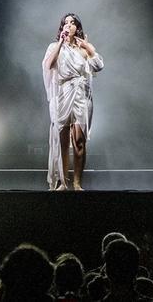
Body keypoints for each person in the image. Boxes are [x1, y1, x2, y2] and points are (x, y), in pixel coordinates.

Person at [42, 13, 104, 191]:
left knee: (79, 141)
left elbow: (98, 66)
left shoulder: (83, 49)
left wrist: (89, 47)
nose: (68, 25)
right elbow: (49, 65)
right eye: (65, 23)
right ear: (62, 28)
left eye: (72, 23)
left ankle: (77, 183)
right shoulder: (54, 46)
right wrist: (61, 43)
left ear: (77, 27)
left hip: (81, 95)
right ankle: (63, 182)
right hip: (62, 94)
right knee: (62, 139)